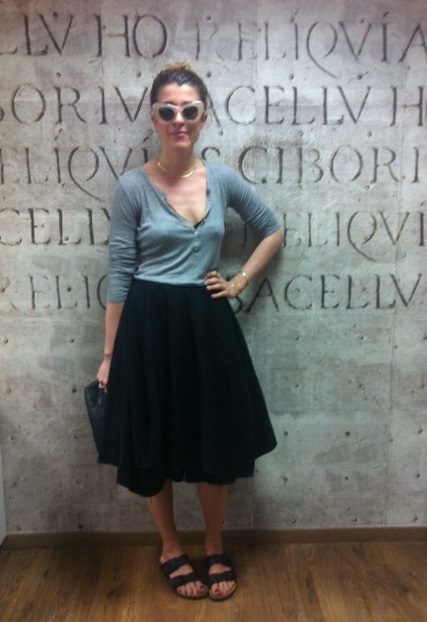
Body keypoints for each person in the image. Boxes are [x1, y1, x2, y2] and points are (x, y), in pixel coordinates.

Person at [96, 62, 283, 602]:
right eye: (168, 110)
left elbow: (271, 230)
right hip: (148, 326)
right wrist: (109, 355)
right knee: (152, 439)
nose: (179, 118)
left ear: (204, 118)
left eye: (189, 109)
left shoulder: (221, 179)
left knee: (213, 438)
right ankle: (171, 548)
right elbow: (120, 273)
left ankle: (215, 543)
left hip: (207, 323)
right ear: (154, 119)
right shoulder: (132, 187)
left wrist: (239, 280)